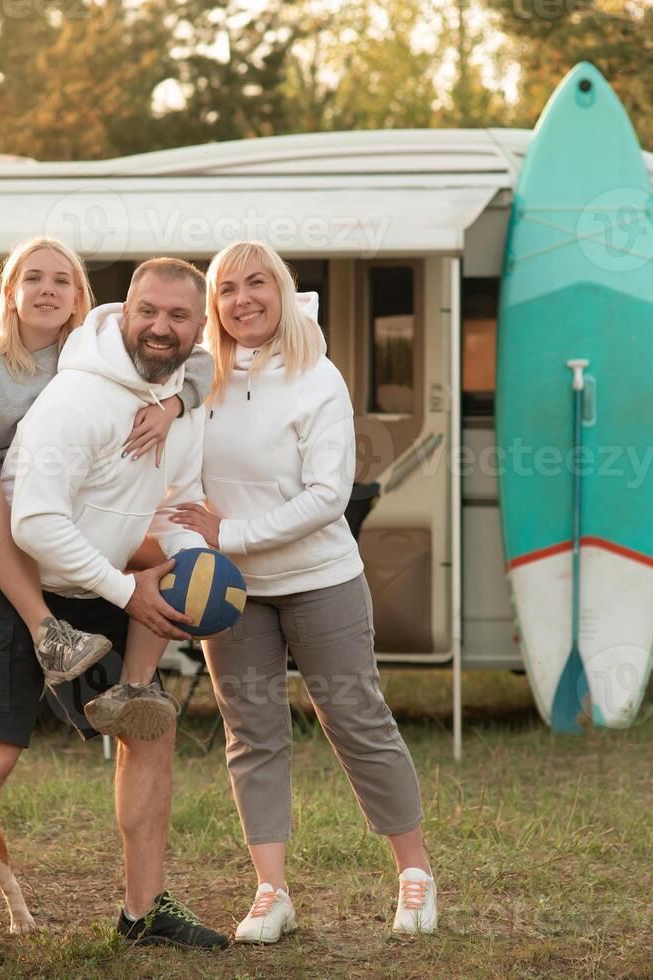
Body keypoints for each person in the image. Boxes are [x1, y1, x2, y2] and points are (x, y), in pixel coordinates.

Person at [0, 257, 232, 964]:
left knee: (148, 732)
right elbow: (36, 526)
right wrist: (130, 594)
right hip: (12, 582)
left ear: (196, 327)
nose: (160, 326)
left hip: (101, 579)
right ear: (122, 313)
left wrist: (186, 562)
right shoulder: (76, 400)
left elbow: (175, 505)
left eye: (179, 316)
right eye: (148, 311)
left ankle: (142, 910)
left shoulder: (181, 405)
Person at [172, 240, 438, 943]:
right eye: (226, 288)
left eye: (256, 283)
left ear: (281, 292)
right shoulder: (199, 378)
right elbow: (177, 467)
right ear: (213, 304)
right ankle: (270, 891)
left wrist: (229, 534)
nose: (242, 299)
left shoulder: (317, 376)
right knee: (251, 733)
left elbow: (327, 497)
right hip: (231, 592)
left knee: (354, 718)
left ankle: (413, 874)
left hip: (319, 577)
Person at [0, 237, 210, 738]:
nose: (48, 290)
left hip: (36, 512)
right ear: (10, 293)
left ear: (80, 294)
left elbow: (197, 360)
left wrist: (173, 406)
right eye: (34, 279)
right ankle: (46, 631)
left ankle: (134, 690)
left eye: (62, 280)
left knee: (156, 556)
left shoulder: (89, 353)